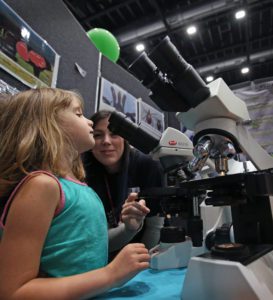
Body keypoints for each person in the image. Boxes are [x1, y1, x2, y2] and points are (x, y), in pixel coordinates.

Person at [0, 88, 150, 300]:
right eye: (79, 114)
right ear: (48, 125)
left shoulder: (80, 187)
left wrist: (128, 229)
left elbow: (85, 249)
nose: (89, 122)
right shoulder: (43, 186)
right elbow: (13, 292)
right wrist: (110, 275)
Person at [83, 110, 165, 255]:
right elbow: (94, 241)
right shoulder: (83, 172)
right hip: (102, 256)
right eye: (97, 135)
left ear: (125, 138)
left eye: (114, 133)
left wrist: (142, 264)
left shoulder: (147, 165)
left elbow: (155, 226)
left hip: (145, 253)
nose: (106, 141)